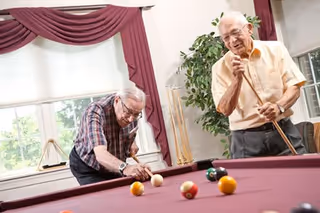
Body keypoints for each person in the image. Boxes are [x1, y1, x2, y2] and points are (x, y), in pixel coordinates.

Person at [211, 11, 307, 159]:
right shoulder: (219, 68)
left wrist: (278, 106)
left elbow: (294, 86)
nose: (232, 40)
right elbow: (225, 109)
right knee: (249, 183)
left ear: (249, 28)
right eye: (226, 38)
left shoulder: (276, 49)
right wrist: (237, 79)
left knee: (303, 176)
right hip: (245, 141)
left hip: (282, 130)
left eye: (235, 33)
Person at [69, 87, 151, 185]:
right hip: (88, 166)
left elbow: (130, 128)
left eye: (136, 114)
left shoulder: (131, 110)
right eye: (128, 112)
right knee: (104, 198)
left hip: (113, 164)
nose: (130, 119)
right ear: (117, 100)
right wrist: (126, 168)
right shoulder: (95, 112)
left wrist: (132, 142)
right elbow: (100, 154)